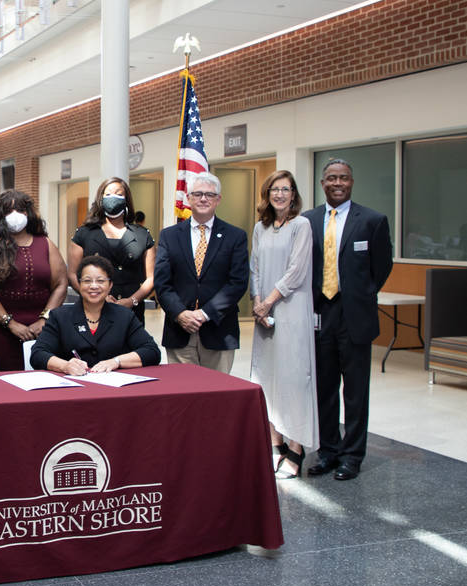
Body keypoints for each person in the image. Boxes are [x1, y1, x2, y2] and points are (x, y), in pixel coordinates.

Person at [303, 159, 392, 481]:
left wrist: (361, 293)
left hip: (355, 316)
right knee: (324, 389)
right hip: (319, 314)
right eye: (331, 178)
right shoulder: (308, 221)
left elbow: (381, 267)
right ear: (322, 183)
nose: (337, 183)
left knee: (355, 392)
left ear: (351, 182)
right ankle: (329, 451)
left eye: (343, 178)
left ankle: (352, 456)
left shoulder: (372, 220)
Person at [249, 170, 319, 479]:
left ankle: (296, 447)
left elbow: (296, 272)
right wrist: (256, 301)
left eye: (286, 189)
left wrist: (269, 301)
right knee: (266, 377)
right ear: (267, 194)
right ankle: (274, 442)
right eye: (275, 189)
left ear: (294, 194)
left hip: (290, 311)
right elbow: (255, 268)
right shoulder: (260, 228)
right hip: (264, 314)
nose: (280, 194)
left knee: (293, 379)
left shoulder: (301, 226)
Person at [154, 171, 249, 373]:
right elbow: (162, 283)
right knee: (182, 396)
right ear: (188, 198)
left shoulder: (235, 236)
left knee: (216, 398)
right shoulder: (169, 236)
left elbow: (237, 283)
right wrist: (180, 314)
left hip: (219, 330)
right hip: (179, 332)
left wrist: (205, 314)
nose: (203, 199)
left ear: (218, 199)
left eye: (210, 195)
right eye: (197, 194)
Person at [0, 190, 68, 370]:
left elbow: (61, 284)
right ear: (0, 216)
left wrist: (44, 320)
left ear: (28, 213)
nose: (15, 215)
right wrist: (10, 323)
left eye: (20, 209)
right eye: (8, 210)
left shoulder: (45, 243)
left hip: (41, 331)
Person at [31, 255, 160, 374]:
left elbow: (151, 351)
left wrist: (116, 362)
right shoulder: (59, 316)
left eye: (100, 281)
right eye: (87, 281)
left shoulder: (124, 316)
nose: (93, 286)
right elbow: (38, 354)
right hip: (73, 388)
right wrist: (65, 366)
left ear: (110, 286)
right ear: (79, 284)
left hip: (114, 389)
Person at [68, 178, 156, 325]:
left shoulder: (142, 234)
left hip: (131, 312)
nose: (112, 198)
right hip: (92, 310)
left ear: (126, 199)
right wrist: (96, 297)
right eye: (107, 194)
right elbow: (72, 274)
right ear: (100, 200)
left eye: (118, 194)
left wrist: (132, 301)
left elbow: (151, 278)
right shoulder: (84, 233)